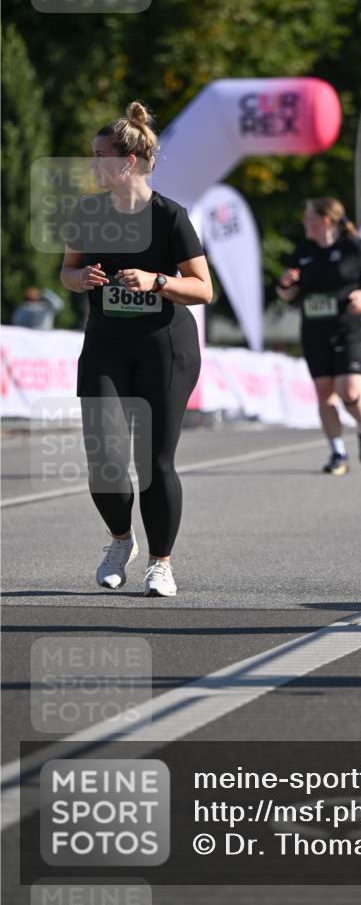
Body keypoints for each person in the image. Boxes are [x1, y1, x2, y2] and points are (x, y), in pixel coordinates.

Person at [60, 101, 212, 596]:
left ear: (126, 161)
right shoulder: (86, 213)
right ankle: (120, 540)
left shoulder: (170, 216)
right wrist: (80, 278)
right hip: (106, 344)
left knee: (154, 461)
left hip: (163, 347)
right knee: (104, 457)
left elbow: (203, 289)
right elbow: (67, 272)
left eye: (99, 155)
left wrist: (157, 279)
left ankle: (161, 563)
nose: (91, 165)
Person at [277, 197, 361, 474]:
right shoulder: (304, 251)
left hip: (349, 327)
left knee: (348, 389)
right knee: (324, 393)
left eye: (309, 218)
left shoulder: (354, 247)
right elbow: (286, 294)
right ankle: (338, 452)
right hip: (315, 330)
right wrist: (285, 284)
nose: (304, 223)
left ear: (325, 220)